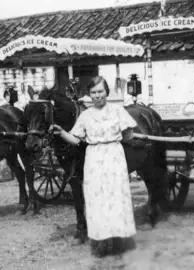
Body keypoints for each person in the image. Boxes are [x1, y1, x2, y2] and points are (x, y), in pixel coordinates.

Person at [50, 76, 137, 257]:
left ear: (107, 92)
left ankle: (119, 240)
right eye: (93, 93)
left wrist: (114, 143)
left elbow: (129, 134)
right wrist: (62, 133)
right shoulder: (85, 116)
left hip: (114, 157)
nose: (97, 96)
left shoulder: (117, 111)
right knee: (97, 199)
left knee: (116, 197)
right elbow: (75, 140)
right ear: (89, 95)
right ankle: (102, 241)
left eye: (100, 92)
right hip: (94, 159)